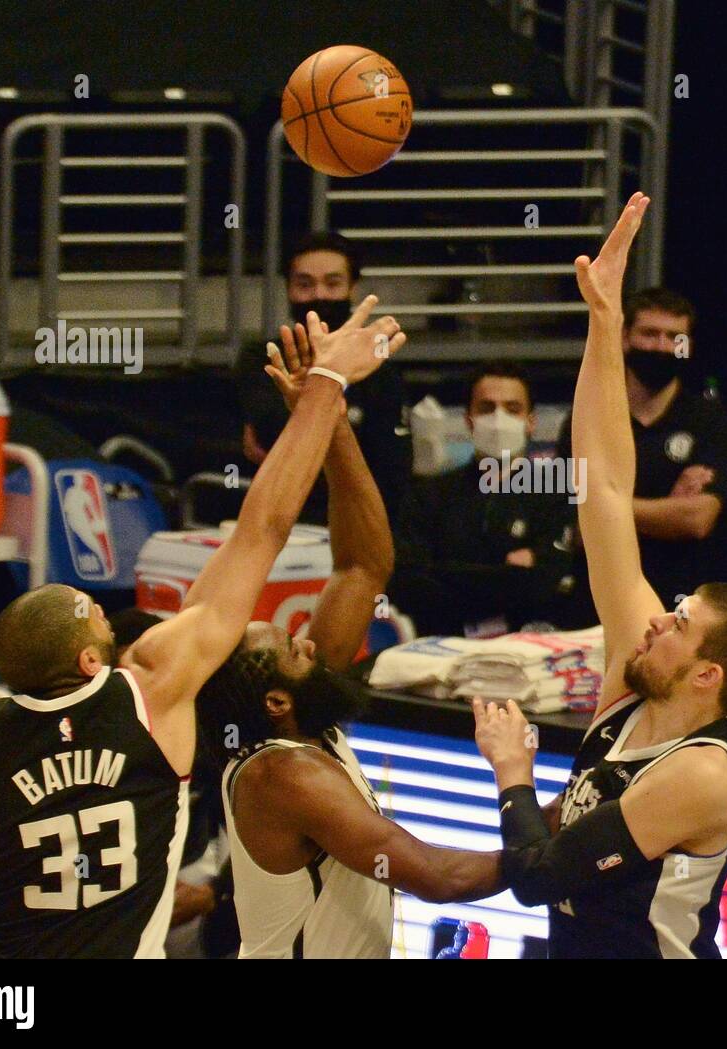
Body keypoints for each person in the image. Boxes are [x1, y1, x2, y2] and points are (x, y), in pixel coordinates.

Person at [0, 297, 404, 958]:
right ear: (91, 664)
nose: (106, 606)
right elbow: (262, 529)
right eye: (93, 611)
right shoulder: (153, 690)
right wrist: (327, 390)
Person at [473, 193, 727, 959]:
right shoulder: (632, 684)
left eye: (679, 622)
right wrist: (603, 323)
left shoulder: (706, 775)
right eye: (671, 608)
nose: (656, 620)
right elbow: (605, 489)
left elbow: (541, 877)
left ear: (709, 674)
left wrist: (513, 771)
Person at [197, 320, 505, 959]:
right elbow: (437, 877)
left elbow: (363, 566)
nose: (307, 641)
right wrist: (561, 839)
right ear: (276, 701)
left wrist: (332, 421)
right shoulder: (284, 773)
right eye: (291, 646)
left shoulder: (301, 713)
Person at [555, 286, 727, 612]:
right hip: (596, 598)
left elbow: (697, 519)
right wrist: (666, 510)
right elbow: (579, 526)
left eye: (674, 337)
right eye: (650, 334)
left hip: (680, 600)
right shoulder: (589, 416)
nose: (662, 346)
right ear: (625, 338)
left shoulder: (709, 420)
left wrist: (607, 504)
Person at [390, 361, 579, 636]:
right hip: (444, 647)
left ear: (531, 422)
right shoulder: (428, 495)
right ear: (468, 420)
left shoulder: (558, 494)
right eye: (487, 408)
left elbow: (549, 586)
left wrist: (453, 571)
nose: (498, 419)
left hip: (530, 648)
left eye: (512, 409)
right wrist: (508, 573)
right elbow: (411, 585)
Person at [235, 230, 410, 521]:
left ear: (352, 288)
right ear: (289, 289)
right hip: (279, 519)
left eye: (333, 283)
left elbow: (393, 470)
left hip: (357, 520)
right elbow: (270, 437)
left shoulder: (379, 366)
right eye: (305, 284)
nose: (319, 295)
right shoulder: (263, 358)